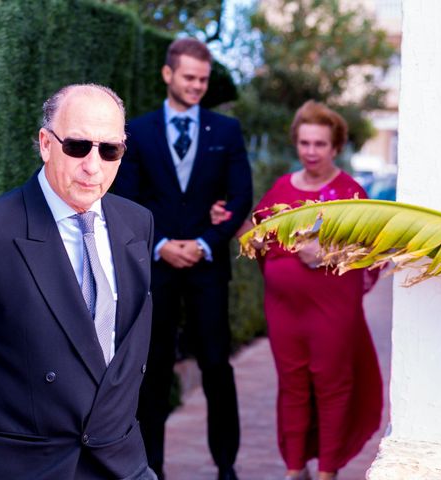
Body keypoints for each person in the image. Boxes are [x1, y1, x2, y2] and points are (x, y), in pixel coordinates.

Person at [0, 84, 158, 480]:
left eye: (109, 150)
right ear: (46, 143)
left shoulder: (137, 223)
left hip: (121, 463)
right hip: (19, 466)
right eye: (78, 146)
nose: (93, 166)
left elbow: (123, 351)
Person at [212, 100, 382, 480]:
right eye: (304, 143)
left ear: (336, 147)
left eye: (319, 144)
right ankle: (294, 468)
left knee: (331, 385)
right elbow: (257, 240)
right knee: (291, 386)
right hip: (284, 309)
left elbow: (373, 249)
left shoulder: (350, 192)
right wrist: (232, 223)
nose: (310, 152)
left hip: (333, 307)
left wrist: (326, 253)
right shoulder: (281, 188)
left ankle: (327, 470)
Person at [113, 37, 253, 480]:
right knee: (152, 370)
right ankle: (151, 466)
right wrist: (161, 245)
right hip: (155, 269)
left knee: (216, 366)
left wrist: (206, 242)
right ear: (168, 74)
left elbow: (240, 196)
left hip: (208, 268)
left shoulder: (225, 131)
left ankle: (226, 465)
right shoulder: (139, 131)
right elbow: (127, 197)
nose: (197, 86)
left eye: (204, 79)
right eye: (190, 77)